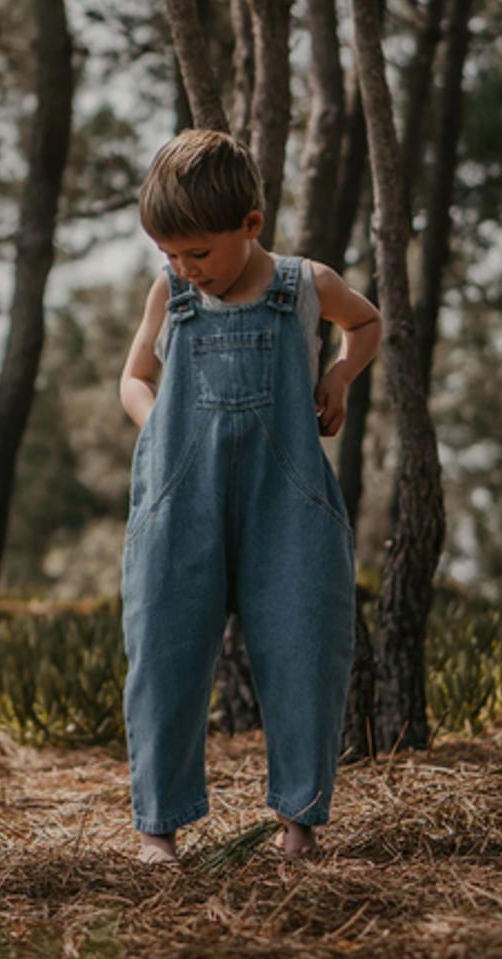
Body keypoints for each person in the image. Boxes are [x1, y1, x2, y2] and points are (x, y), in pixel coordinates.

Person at [119, 128, 382, 865]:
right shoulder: (169, 294)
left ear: (251, 226)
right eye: (169, 253)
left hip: (287, 502)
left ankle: (300, 824)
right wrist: (155, 429)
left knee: (305, 647)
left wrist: (337, 375)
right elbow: (133, 378)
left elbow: (365, 322)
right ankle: (157, 830)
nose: (184, 267)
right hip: (180, 499)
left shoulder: (304, 286)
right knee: (163, 653)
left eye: (198, 252)